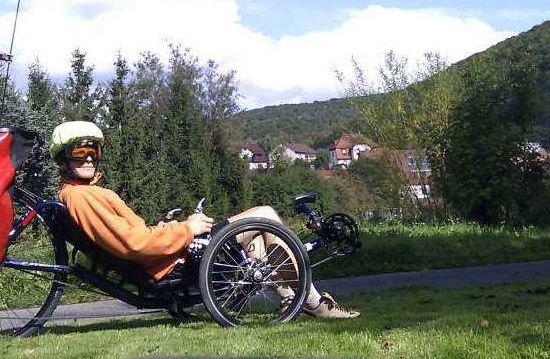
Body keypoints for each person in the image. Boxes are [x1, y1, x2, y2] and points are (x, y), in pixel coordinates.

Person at [51, 121, 359, 319]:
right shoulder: (81, 197)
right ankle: (312, 303)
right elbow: (133, 244)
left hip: (172, 254)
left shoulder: (84, 193)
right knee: (264, 215)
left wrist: (172, 227)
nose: (88, 157)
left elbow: (135, 236)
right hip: (175, 262)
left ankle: (295, 300)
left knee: (258, 240)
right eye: (79, 152)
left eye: (93, 150)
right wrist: (188, 229)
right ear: (64, 158)